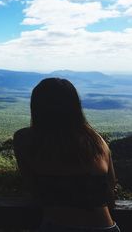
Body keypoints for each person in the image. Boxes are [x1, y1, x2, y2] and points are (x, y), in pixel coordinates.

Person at [13, 78, 120, 232]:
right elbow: (110, 191)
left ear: (37, 107)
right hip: (106, 227)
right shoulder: (97, 141)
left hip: (58, 225)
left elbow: (33, 188)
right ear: (75, 106)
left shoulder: (25, 139)